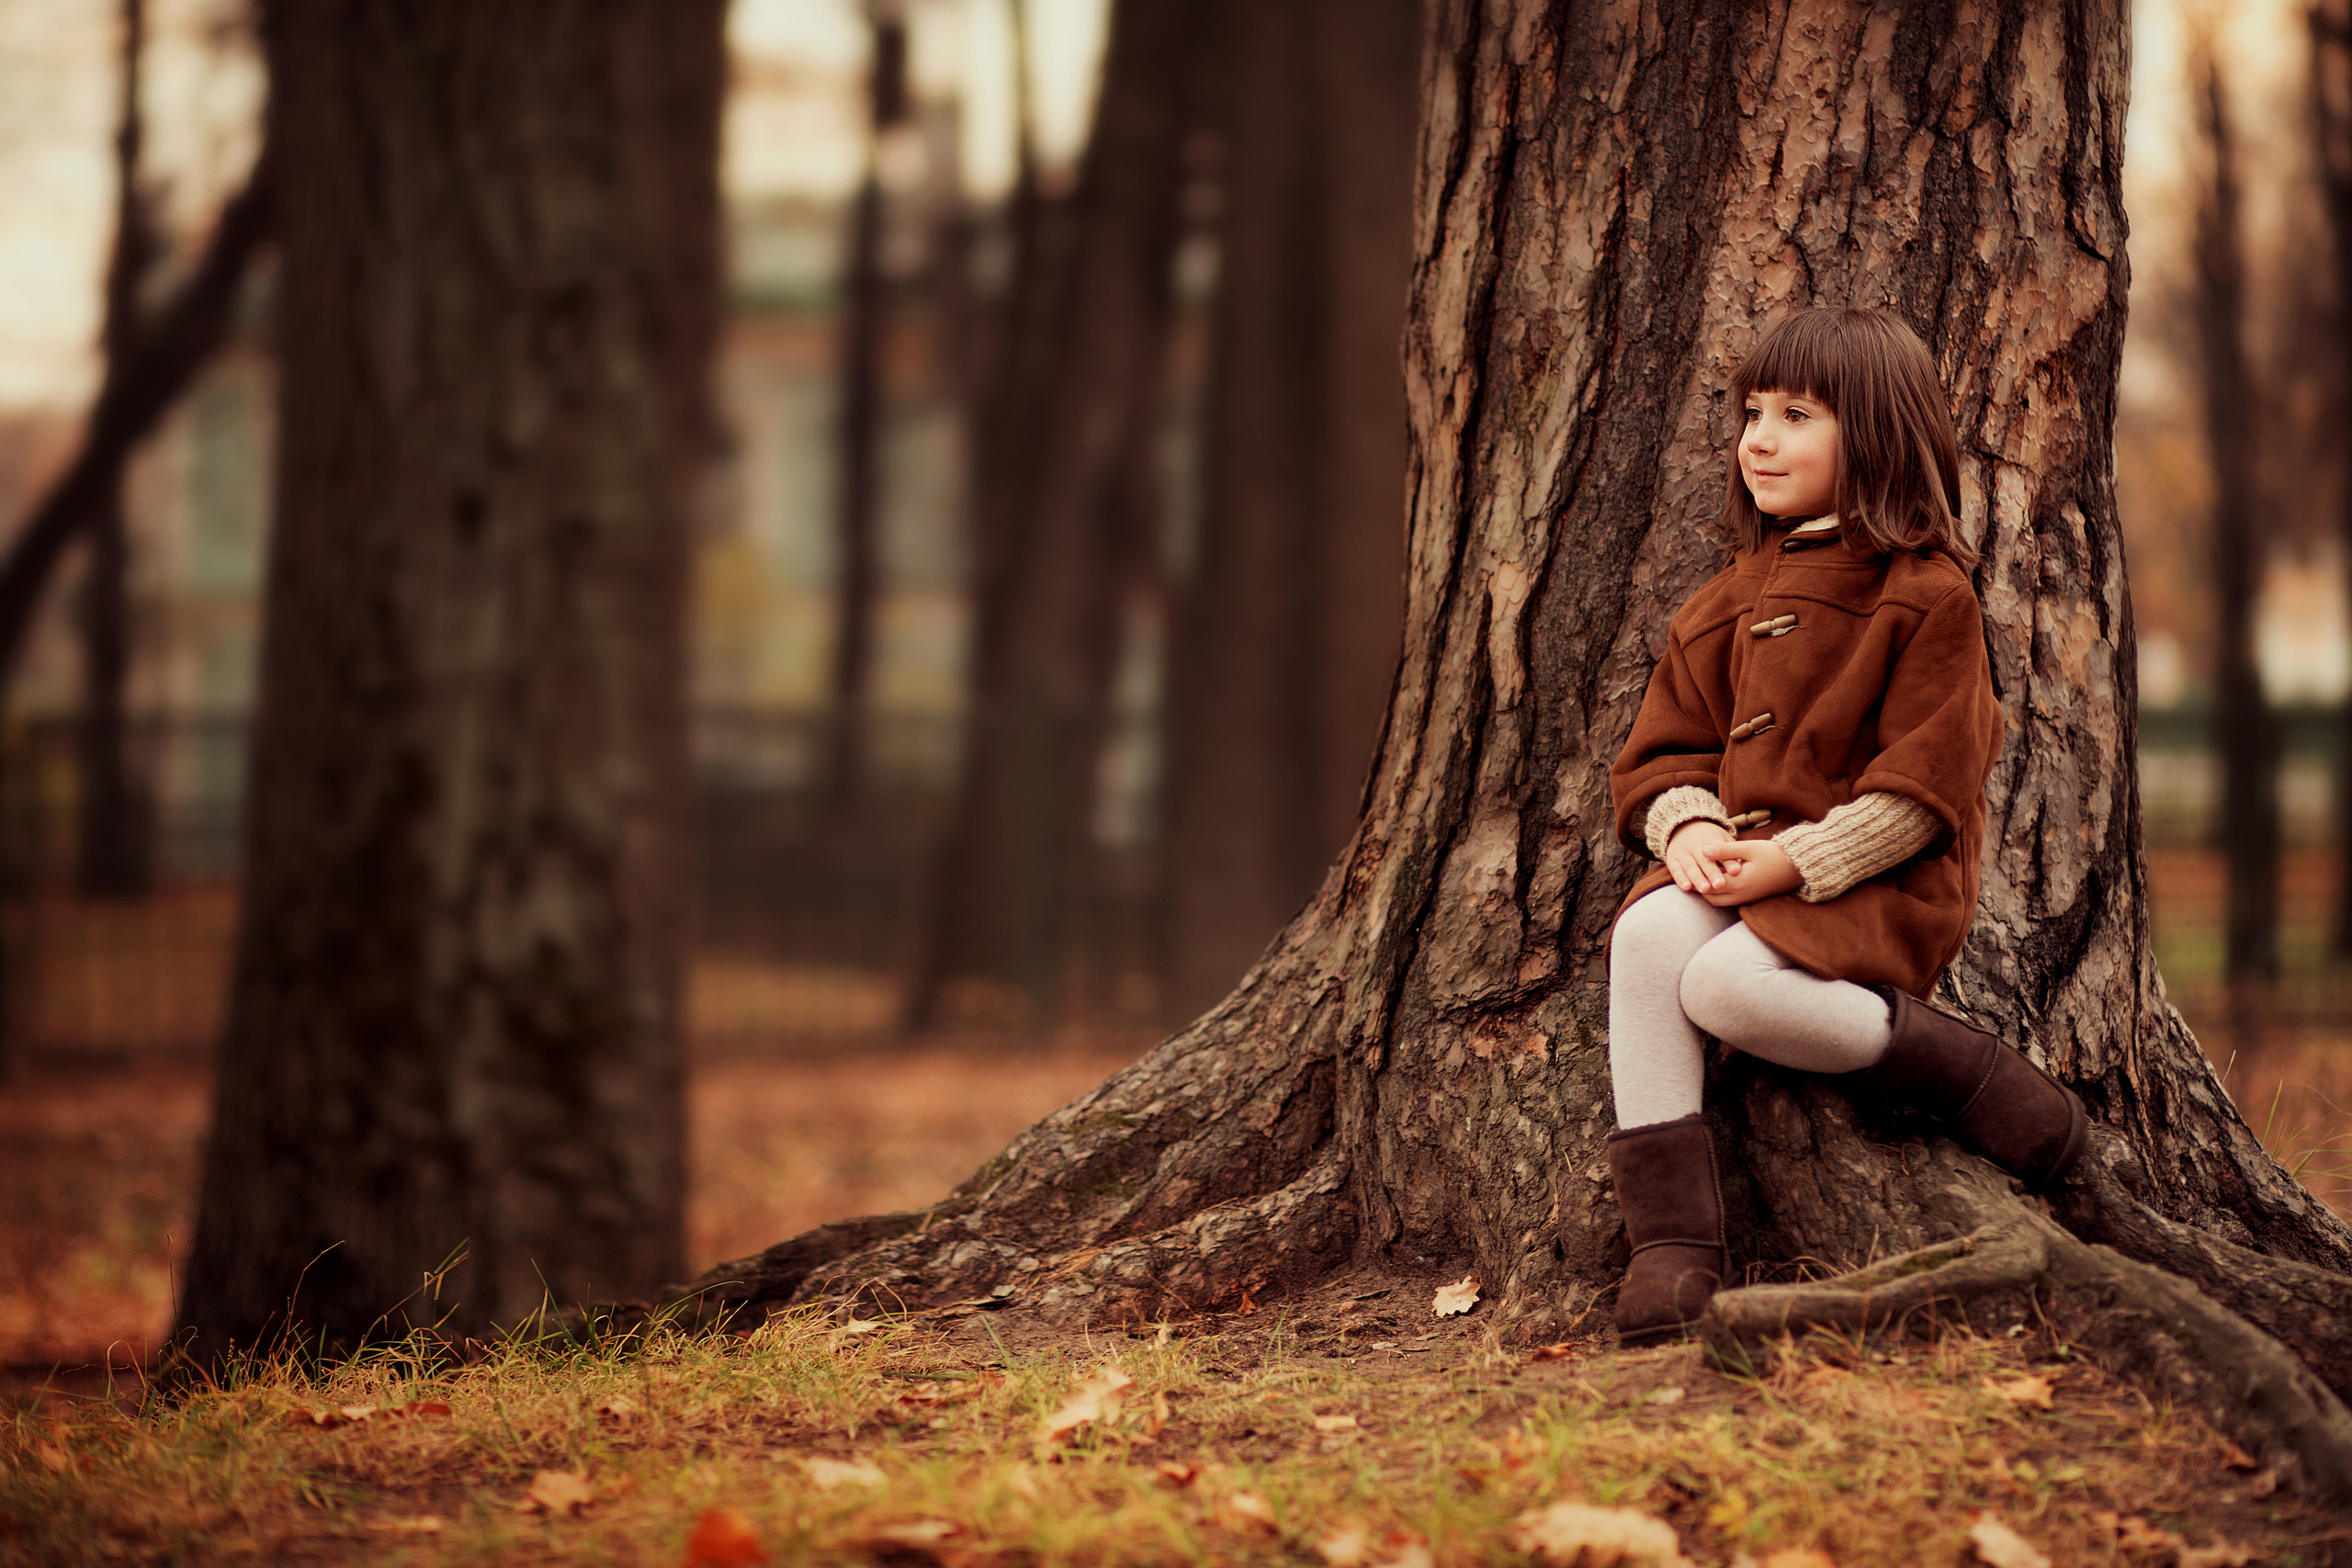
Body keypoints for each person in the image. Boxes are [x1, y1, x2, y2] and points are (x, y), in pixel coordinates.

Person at [1602, 307, 2087, 1348]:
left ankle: (1966, 1074)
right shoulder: (1723, 602)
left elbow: (1924, 789)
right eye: (1750, 414)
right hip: (1740, 865)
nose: (1758, 439)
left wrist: (1791, 858)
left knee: (1723, 985)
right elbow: (1664, 754)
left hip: (1871, 879)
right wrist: (1684, 830)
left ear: (1870, 433)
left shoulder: (1926, 597)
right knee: (1645, 941)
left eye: (1796, 415)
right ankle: (1672, 1244)